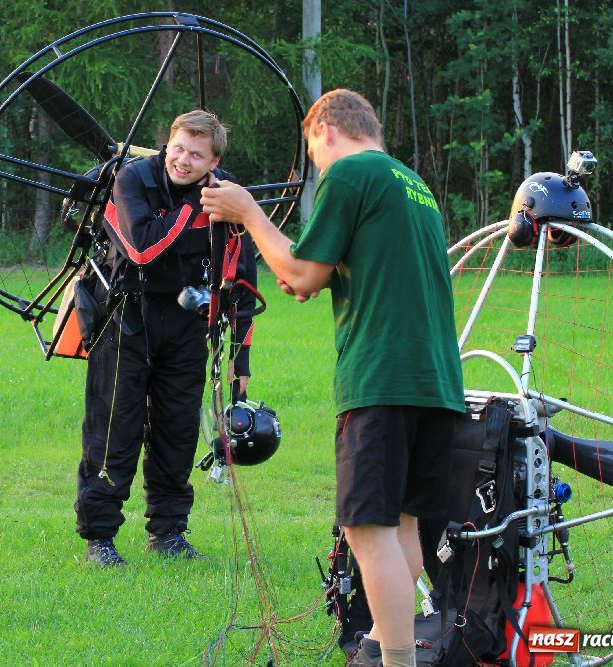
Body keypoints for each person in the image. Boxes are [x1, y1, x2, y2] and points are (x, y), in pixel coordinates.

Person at [201, 89, 464, 667]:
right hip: (438, 384)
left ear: (326, 132)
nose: (318, 168)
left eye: (313, 155)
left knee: (366, 530)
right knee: (402, 527)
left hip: (380, 379)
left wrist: (248, 212)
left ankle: (395, 660)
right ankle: (378, 647)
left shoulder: (350, 174)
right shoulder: (413, 185)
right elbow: (323, 274)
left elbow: (300, 274)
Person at [76, 110, 256, 566]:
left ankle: (169, 532)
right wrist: (196, 205)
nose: (183, 160)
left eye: (196, 155)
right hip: (123, 318)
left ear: (213, 161)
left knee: (177, 431)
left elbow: (243, 277)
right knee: (115, 428)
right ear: (166, 144)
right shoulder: (131, 180)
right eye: (177, 148)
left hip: (187, 325)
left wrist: (242, 360)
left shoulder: (227, 192)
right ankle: (100, 537)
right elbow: (142, 249)